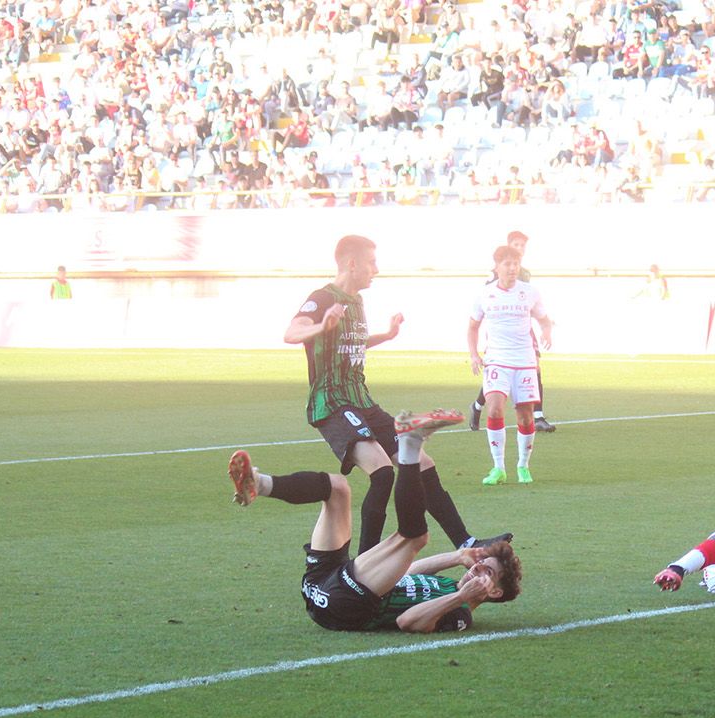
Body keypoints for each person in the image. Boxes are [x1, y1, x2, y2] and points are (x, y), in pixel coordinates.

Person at [285, 234, 509, 554]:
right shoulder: (322, 298)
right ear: (352, 264)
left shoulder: (356, 302)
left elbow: (350, 343)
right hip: (332, 401)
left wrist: (386, 336)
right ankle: (363, 565)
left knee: (420, 462)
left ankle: (466, 541)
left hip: (361, 400)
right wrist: (321, 327)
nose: (376, 269)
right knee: (382, 471)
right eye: (372, 262)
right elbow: (291, 332)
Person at [228, 409, 522, 633]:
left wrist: (460, 597)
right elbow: (407, 572)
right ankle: (260, 485)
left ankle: (409, 447)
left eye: (487, 572)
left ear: (494, 591)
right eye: (483, 563)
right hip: (320, 585)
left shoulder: (460, 614)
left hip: (345, 606)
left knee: (416, 538)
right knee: (337, 488)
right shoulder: (445, 585)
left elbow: (408, 621)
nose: (478, 568)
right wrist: (458, 556)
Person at [468, 244, 554, 485]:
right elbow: (472, 326)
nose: (512, 268)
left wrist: (547, 332)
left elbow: (545, 320)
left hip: (524, 361)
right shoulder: (485, 294)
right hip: (497, 360)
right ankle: (498, 467)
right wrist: (474, 354)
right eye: (507, 264)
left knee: (526, 416)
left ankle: (523, 466)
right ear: (497, 267)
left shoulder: (530, 292)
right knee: (494, 408)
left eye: (516, 264)